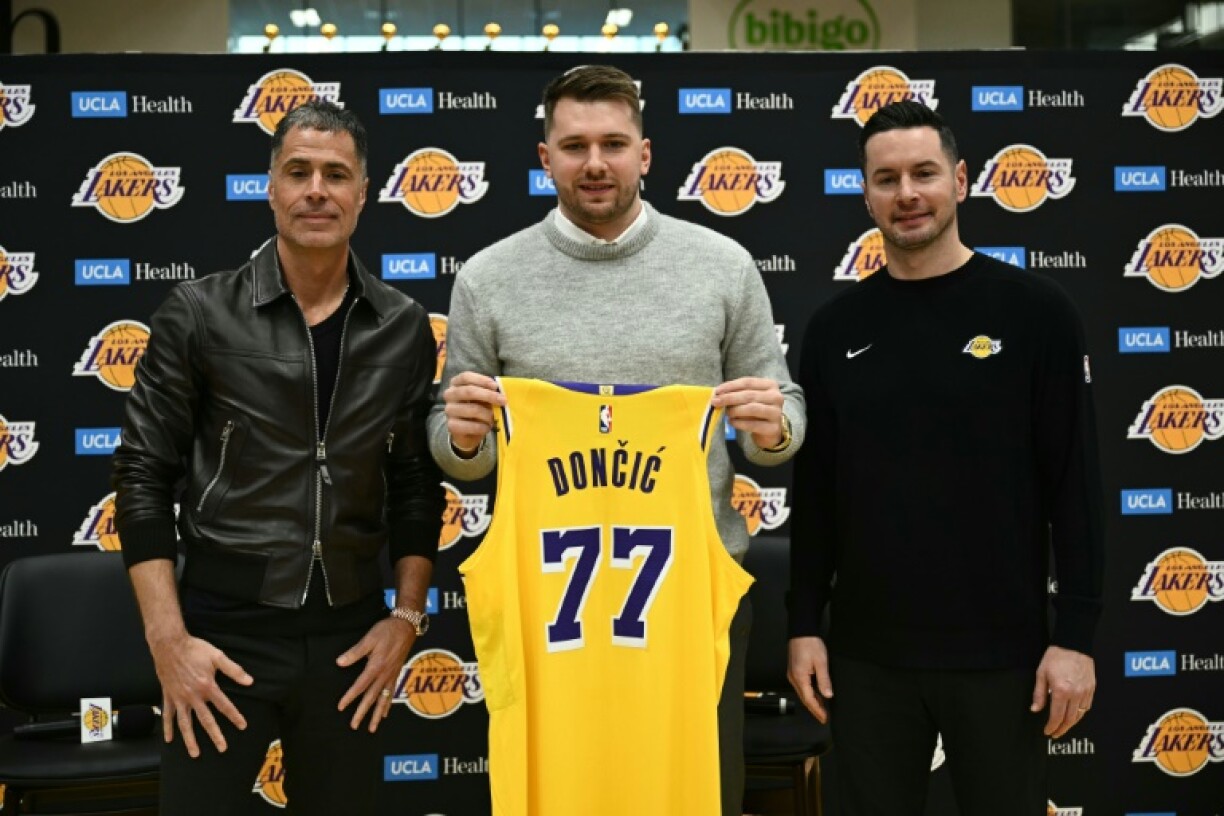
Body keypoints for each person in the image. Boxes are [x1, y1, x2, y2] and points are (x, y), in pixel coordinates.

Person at [429, 65, 805, 816]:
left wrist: (773, 430)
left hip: (690, 599)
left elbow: (781, 417)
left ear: (646, 154)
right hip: (548, 604)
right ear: (545, 158)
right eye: (574, 146)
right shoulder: (488, 278)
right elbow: (453, 436)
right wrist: (462, 438)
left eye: (613, 143)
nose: (594, 162)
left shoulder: (722, 266)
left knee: (694, 795)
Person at [112, 100, 443, 816]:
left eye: (335, 173)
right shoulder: (199, 313)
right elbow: (141, 479)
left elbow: (417, 485)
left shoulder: (403, 326)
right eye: (298, 171)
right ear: (271, 186)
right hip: (221, 636)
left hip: (351, 643)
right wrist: (169, 642)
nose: (316, 189)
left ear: (364, 191)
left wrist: (406, 618)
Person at [787, 100, 1105, 815]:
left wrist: (1076, 638)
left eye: (924, 173)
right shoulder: (835, 328)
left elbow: (1075, 488)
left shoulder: (1036, 311)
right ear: (865, 193)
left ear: (960, 181)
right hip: (865, 662)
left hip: (1004, 657)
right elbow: (815, 498)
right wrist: (805, 623)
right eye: (887, 177)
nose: (907, 193)